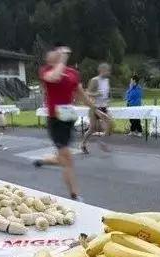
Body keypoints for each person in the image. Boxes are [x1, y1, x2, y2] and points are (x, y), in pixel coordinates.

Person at [33, 45, 110, 201]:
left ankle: (44, 160)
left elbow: (82, 95)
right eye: (54, 51)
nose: (55, 54)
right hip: (55, 120)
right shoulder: (45, 70)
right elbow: (54, 77)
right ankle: (75, 195)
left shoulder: (73, 73)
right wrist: (63, 58)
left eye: (57, 51)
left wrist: (97, 111)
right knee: (68, 159)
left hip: (68, 119)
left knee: (63, 158)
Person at [80, 63, 114, 153]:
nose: (108, 72)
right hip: (95, 108)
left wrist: (109, 99)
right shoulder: (95, 80)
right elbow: (87, 93)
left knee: (110, 124)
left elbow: (108, 93)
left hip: (104, 107)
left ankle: (102, 141)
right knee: (92, 129)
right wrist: (96, 94)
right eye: (107, 70)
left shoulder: (107, 81)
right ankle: (83, 144)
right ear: (101, 70)